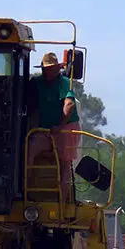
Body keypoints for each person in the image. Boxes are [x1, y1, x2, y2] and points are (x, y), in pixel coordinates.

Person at [26, 52, 81, 198]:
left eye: (50, 68)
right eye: (45, 68)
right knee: (30, 147)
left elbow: (69, 105)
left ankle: (62, 201)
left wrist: (60, 126)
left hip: (66, 128)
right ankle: (26, 189)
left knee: (65, 163)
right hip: (45, 130)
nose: (47, 71)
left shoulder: (64, 83)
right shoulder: (37, 83)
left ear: (57, 69)